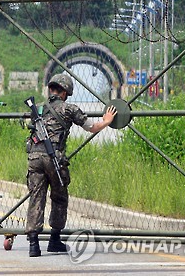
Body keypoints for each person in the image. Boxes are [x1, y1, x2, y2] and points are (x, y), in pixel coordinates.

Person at [25, 74, 117, 257]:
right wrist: (106, 121)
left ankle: (33, 245)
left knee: (36, 197)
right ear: (65, 92)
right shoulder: (69, 109)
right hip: (54, 158)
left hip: (34, 157)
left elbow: (29, 126)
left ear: (51, 89)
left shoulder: (39, 109)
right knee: (59, 198)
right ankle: (54, 240)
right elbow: (92, 127)